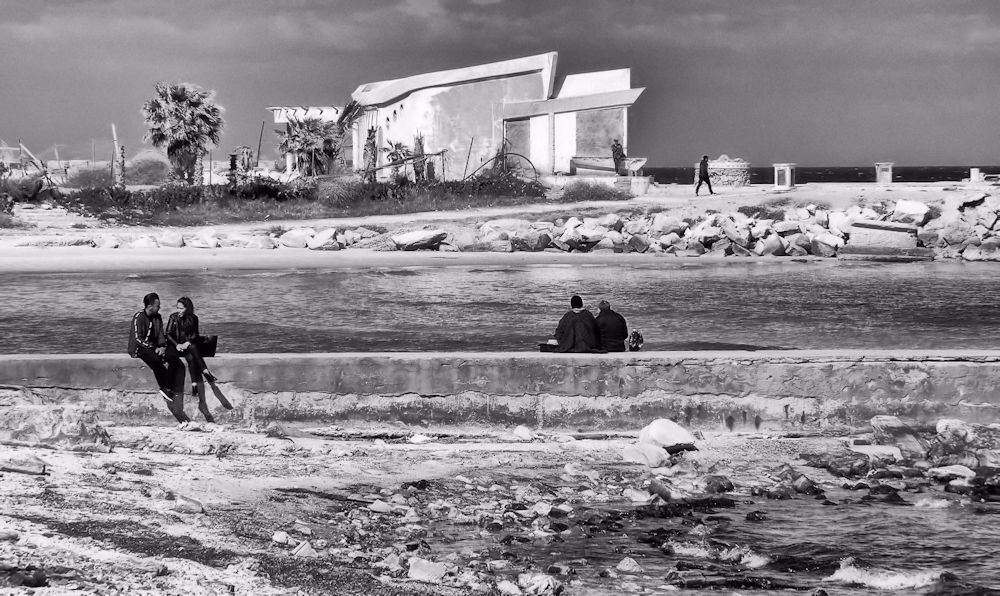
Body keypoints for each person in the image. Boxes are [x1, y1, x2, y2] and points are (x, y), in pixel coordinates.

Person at [128, 292, 189, 423]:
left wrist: (162, 346)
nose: (159, 308)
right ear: (149, 306)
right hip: (141, 348)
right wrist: (152, 347)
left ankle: (167, 388)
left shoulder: (158, 318)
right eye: (157, 306)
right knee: (156, 361)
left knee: (174, 358)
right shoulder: (139, 317)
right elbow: (138, 338)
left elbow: (161, 335)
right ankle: (165, 387)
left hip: (155, 347)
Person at [166, 297, 218, 423]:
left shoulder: (193, 318)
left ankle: (195, 384)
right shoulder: (173, 317)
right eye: (177, 308)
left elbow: (194, 335)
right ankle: (205, 371)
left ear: (187, 308)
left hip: (188, 346)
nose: (179, 311)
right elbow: (168, 334)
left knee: (191, 355)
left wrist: (187, 343)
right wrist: (178, 345)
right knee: (193, 351)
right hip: (176, 346)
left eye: (181, 308)